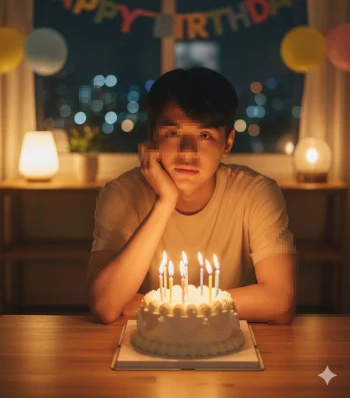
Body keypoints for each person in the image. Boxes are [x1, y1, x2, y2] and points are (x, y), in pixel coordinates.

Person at [87, 67, 296, 325]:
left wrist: (162, 305)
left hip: (231, 343)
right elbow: (105, 305)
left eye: (204, 135)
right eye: (173, 133)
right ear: (153, 135)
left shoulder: (256, 193)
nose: (188, 152)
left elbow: (279, 302)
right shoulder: (121, 193)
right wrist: (165, 202)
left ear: (228, 143)